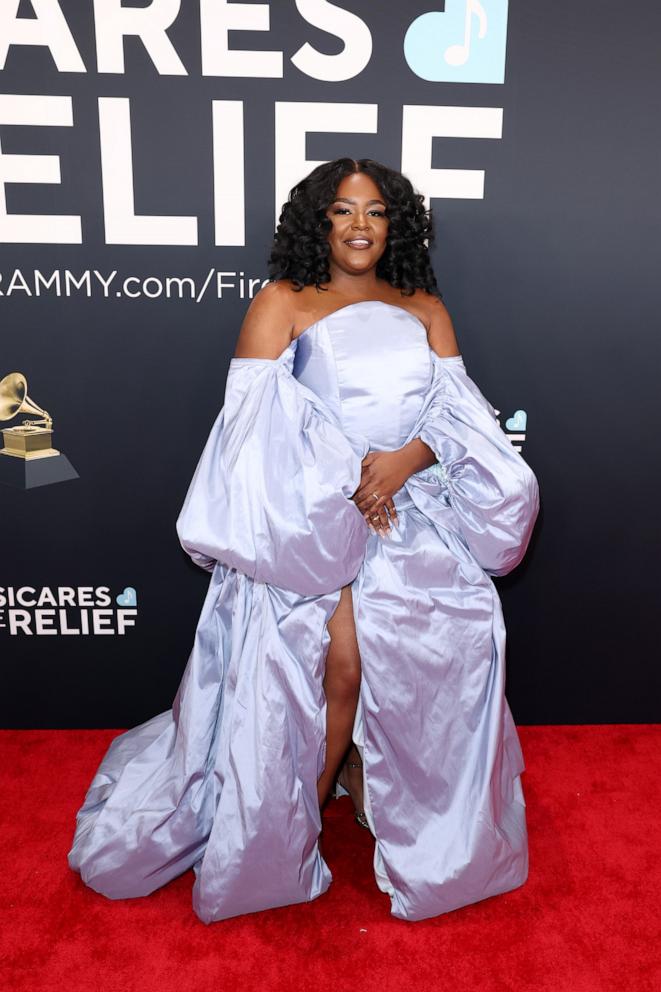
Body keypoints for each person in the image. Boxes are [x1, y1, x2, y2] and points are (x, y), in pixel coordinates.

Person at [68, 158, 540, 925]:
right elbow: (246, 435)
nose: (359, 225)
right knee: (342, 663)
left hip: (411, 513)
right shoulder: (281, 302)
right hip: (308, 522)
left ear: (397, 225)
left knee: (445, 646)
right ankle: (287, 827)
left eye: (376, 211)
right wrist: (348, 484)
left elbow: (465, 418)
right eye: (342, 210)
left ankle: (379, 787)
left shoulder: (423, 306)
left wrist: (405, 461)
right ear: (316, 220)